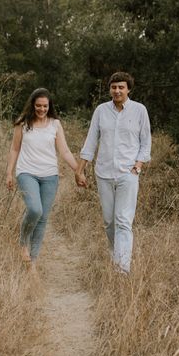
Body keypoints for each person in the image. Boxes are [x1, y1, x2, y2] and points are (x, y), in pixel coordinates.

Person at [76, 72, 151, 274]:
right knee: (109, 222)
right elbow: (91, 141)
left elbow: (146, 142)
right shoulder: (101, 111)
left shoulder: (139, 111)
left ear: (128, 89)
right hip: (104, 173)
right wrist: (79, 169)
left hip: (128, 173)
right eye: (114, 87)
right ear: (109, 89)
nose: (117, 91)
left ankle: (122, 270)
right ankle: (115, 256)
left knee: (123, 221)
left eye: (121, 87)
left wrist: (138, 166)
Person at [6, 88, 79, 266]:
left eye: (45, 106)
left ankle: (32, 261)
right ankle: (23, 243)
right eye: (38, 105)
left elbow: (65, 151)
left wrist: (78, 170)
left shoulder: (55, 124)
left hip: (50, 176)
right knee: (35, 210)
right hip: (27, 173)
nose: (41, 109)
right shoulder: (22, 123)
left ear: (49, 106)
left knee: (43, 218)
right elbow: (14, 149)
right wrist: (9, 173)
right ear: (32, 105)